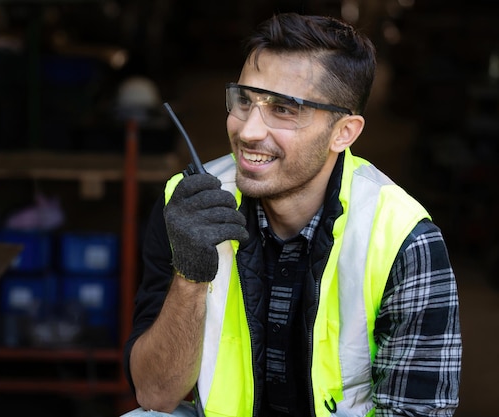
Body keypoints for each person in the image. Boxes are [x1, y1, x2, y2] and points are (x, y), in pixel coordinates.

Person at [121, 12, 462, 417]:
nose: (248, 131)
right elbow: (155, 395)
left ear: (344, 132)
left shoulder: (402, 238)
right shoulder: (190, 203)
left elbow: (415, 411)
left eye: (284, 110)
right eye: (244, 101)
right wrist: (190, 276)